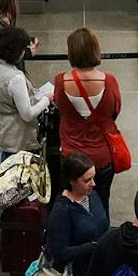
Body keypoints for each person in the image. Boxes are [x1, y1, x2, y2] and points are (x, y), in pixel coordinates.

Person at [46, 152, 111, 276]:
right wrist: (92, 247)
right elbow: (57, 252)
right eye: (87, 180)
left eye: (93, 177)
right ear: (72, 181)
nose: (93, 183)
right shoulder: (62, 211)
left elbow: (103, 225)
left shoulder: (92, 196)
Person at [56, 26, 124, 213]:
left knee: (71, 203)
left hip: (72, 155)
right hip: (102, 156)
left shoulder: (61, 82)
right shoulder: (109, 81)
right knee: (101, 203)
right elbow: (115, 111)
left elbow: (61, 109)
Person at [0, 24, 49, 177]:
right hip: (14, 135)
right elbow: (27, 114)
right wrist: (46, 99)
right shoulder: (15, 77)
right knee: (10, 174)